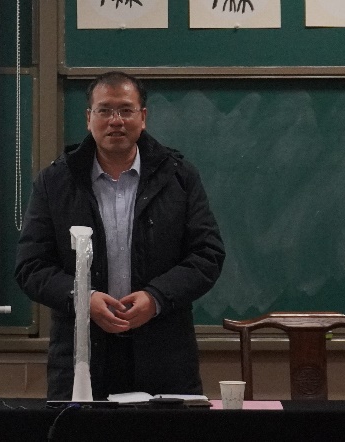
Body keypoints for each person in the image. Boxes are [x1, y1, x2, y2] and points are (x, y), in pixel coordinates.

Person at [15, 71, 225, 400]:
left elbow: (207, 255)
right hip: (82, 357)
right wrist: (82, 299)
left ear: (143, 117)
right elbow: (31, 266)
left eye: (126, 110)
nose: (116, 121)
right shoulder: (55, 182)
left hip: (165, 357)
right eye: (105, 110)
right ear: (89, 118)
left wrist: (156, 298)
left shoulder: (179, 177)